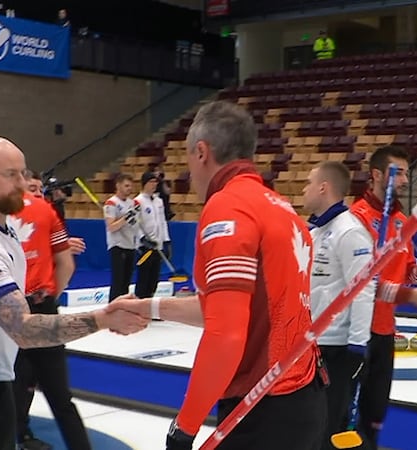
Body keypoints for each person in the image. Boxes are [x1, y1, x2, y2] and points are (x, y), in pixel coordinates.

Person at [108, 101, 327, 450]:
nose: (188, 173)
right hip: (302, 397)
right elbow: (226, 307)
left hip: (262, 407)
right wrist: (147, 307)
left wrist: (185, 426)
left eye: (187, 159)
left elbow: (226, 333)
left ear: (201, 152)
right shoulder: (283, 208)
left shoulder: (229, 206)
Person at [0, 136, 148, 450]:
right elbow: (23, 330)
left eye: (23, 173)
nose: (23, 183)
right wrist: (103, 318)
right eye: (10, 175)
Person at [349, 145, 417, 449]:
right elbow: (363, 284)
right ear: (377, 175)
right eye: (398, 172)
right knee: (346, 416)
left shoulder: (402, 221)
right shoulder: (357, 219)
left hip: (384, 330)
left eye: (407, 172)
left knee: (375, 412)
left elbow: (404, 273)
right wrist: (412, 297)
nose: (405, 179)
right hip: (355, 332)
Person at [302, 161, 376, 450]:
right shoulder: (316, 231)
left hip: (337, 348)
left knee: (330, 426)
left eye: (309, 182)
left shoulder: (349, 232)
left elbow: (363, 288)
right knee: (311, 424)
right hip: (312, 344)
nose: (304, 189)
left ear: (324, 187)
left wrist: (358, 345)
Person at [11, 184, 91, 450]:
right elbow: (66, 263)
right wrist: (49, 299)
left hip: (7, 310)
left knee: (11, 388)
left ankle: (19, 435)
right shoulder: (46, 209)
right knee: (60, 396)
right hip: (42, 304)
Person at [27, 171, 86, 255]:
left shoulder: (49, 215)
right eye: (32, 190)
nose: (39, 194)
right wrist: (58, 248)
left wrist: (61, 247)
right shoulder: (10, 218)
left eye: (41, 190)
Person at [134, 171, 170, 299]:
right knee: (144, 277)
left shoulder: (158, 201)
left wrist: (166, 241)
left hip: (158, 245)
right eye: (151, 182)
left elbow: (162, 221)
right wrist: (143, 239)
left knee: (154, 278)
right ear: (144, 183)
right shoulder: (137, 201)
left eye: (155, 182)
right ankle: (139, 305)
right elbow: (135, 223)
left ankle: (149, 306)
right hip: (145, 247)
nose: (154, 185)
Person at [104, 173, 138, 301]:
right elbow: (111, 226)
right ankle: (113, 307)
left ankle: (124, 307)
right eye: (126, 186)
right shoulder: (111, 203)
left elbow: (135, 223)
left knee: (126, 281)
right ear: (118, 186)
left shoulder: (132, 202)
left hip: (130, 244)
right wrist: (125, 217)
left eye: (131, 186)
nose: (129, 188)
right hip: (117, 245)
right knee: (118, 281)